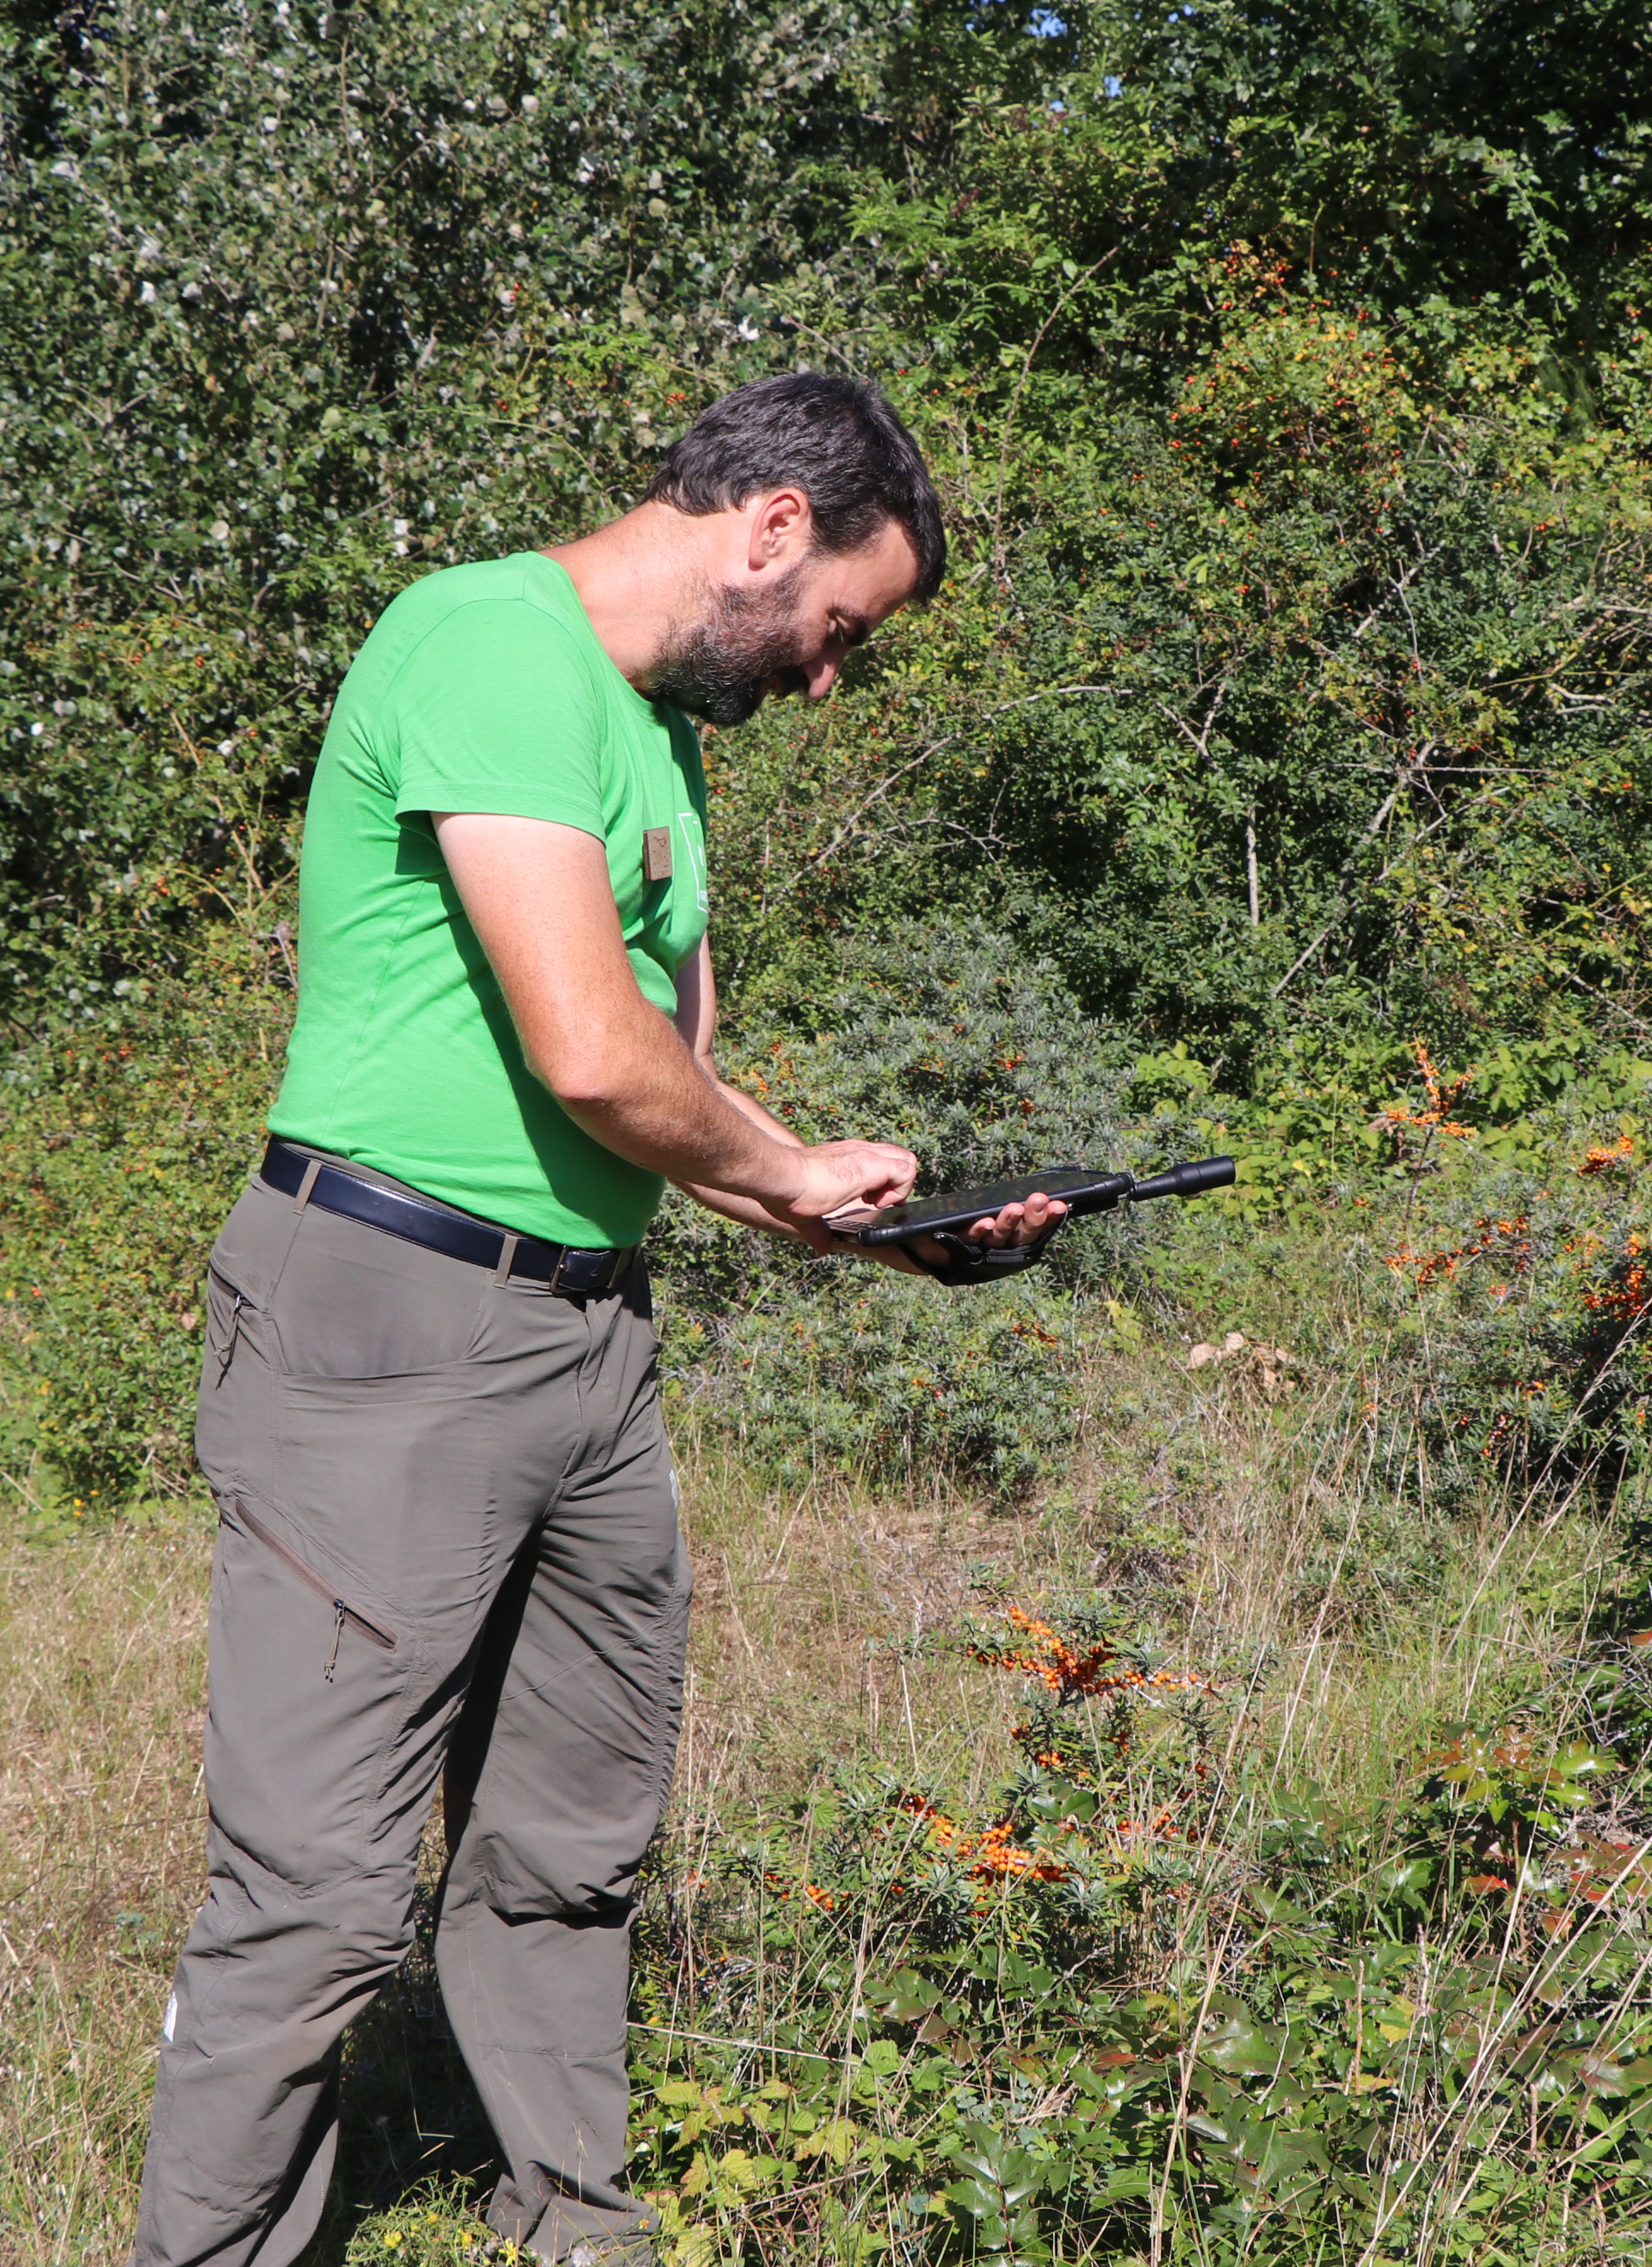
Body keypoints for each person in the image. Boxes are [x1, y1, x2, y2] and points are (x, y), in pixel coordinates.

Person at [130, 371, 1066, 2267]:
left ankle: (577, 2226)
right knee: (317, 1895)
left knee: (566, 1844)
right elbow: (588, 1043)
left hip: (585, 1342)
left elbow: (661, 1104)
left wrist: (883, 1227)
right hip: (383, 1326)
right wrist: (786, 1168)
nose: (825, 678)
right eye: (839, 631)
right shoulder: (485, 640)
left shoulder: (658, 746)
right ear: (774, 523)